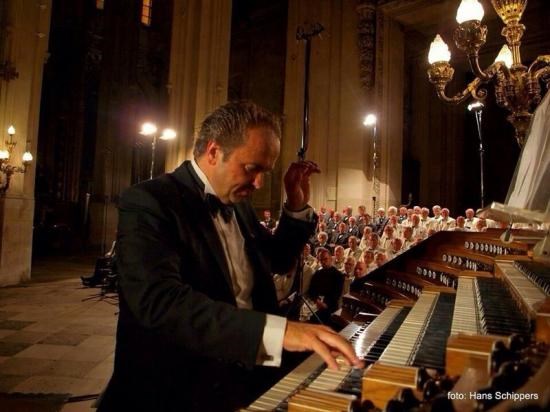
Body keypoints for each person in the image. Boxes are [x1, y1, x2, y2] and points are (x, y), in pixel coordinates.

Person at [98, 101, 362, 412]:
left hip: (248, 375)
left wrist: (295, 206)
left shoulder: (238, 202)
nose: (259, 183)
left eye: (265, 172)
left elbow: (277, 260)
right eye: (252, 168)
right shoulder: (149, 201)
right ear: (213, 152)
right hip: (179, 388)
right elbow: (160, 302)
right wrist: (278, 332)